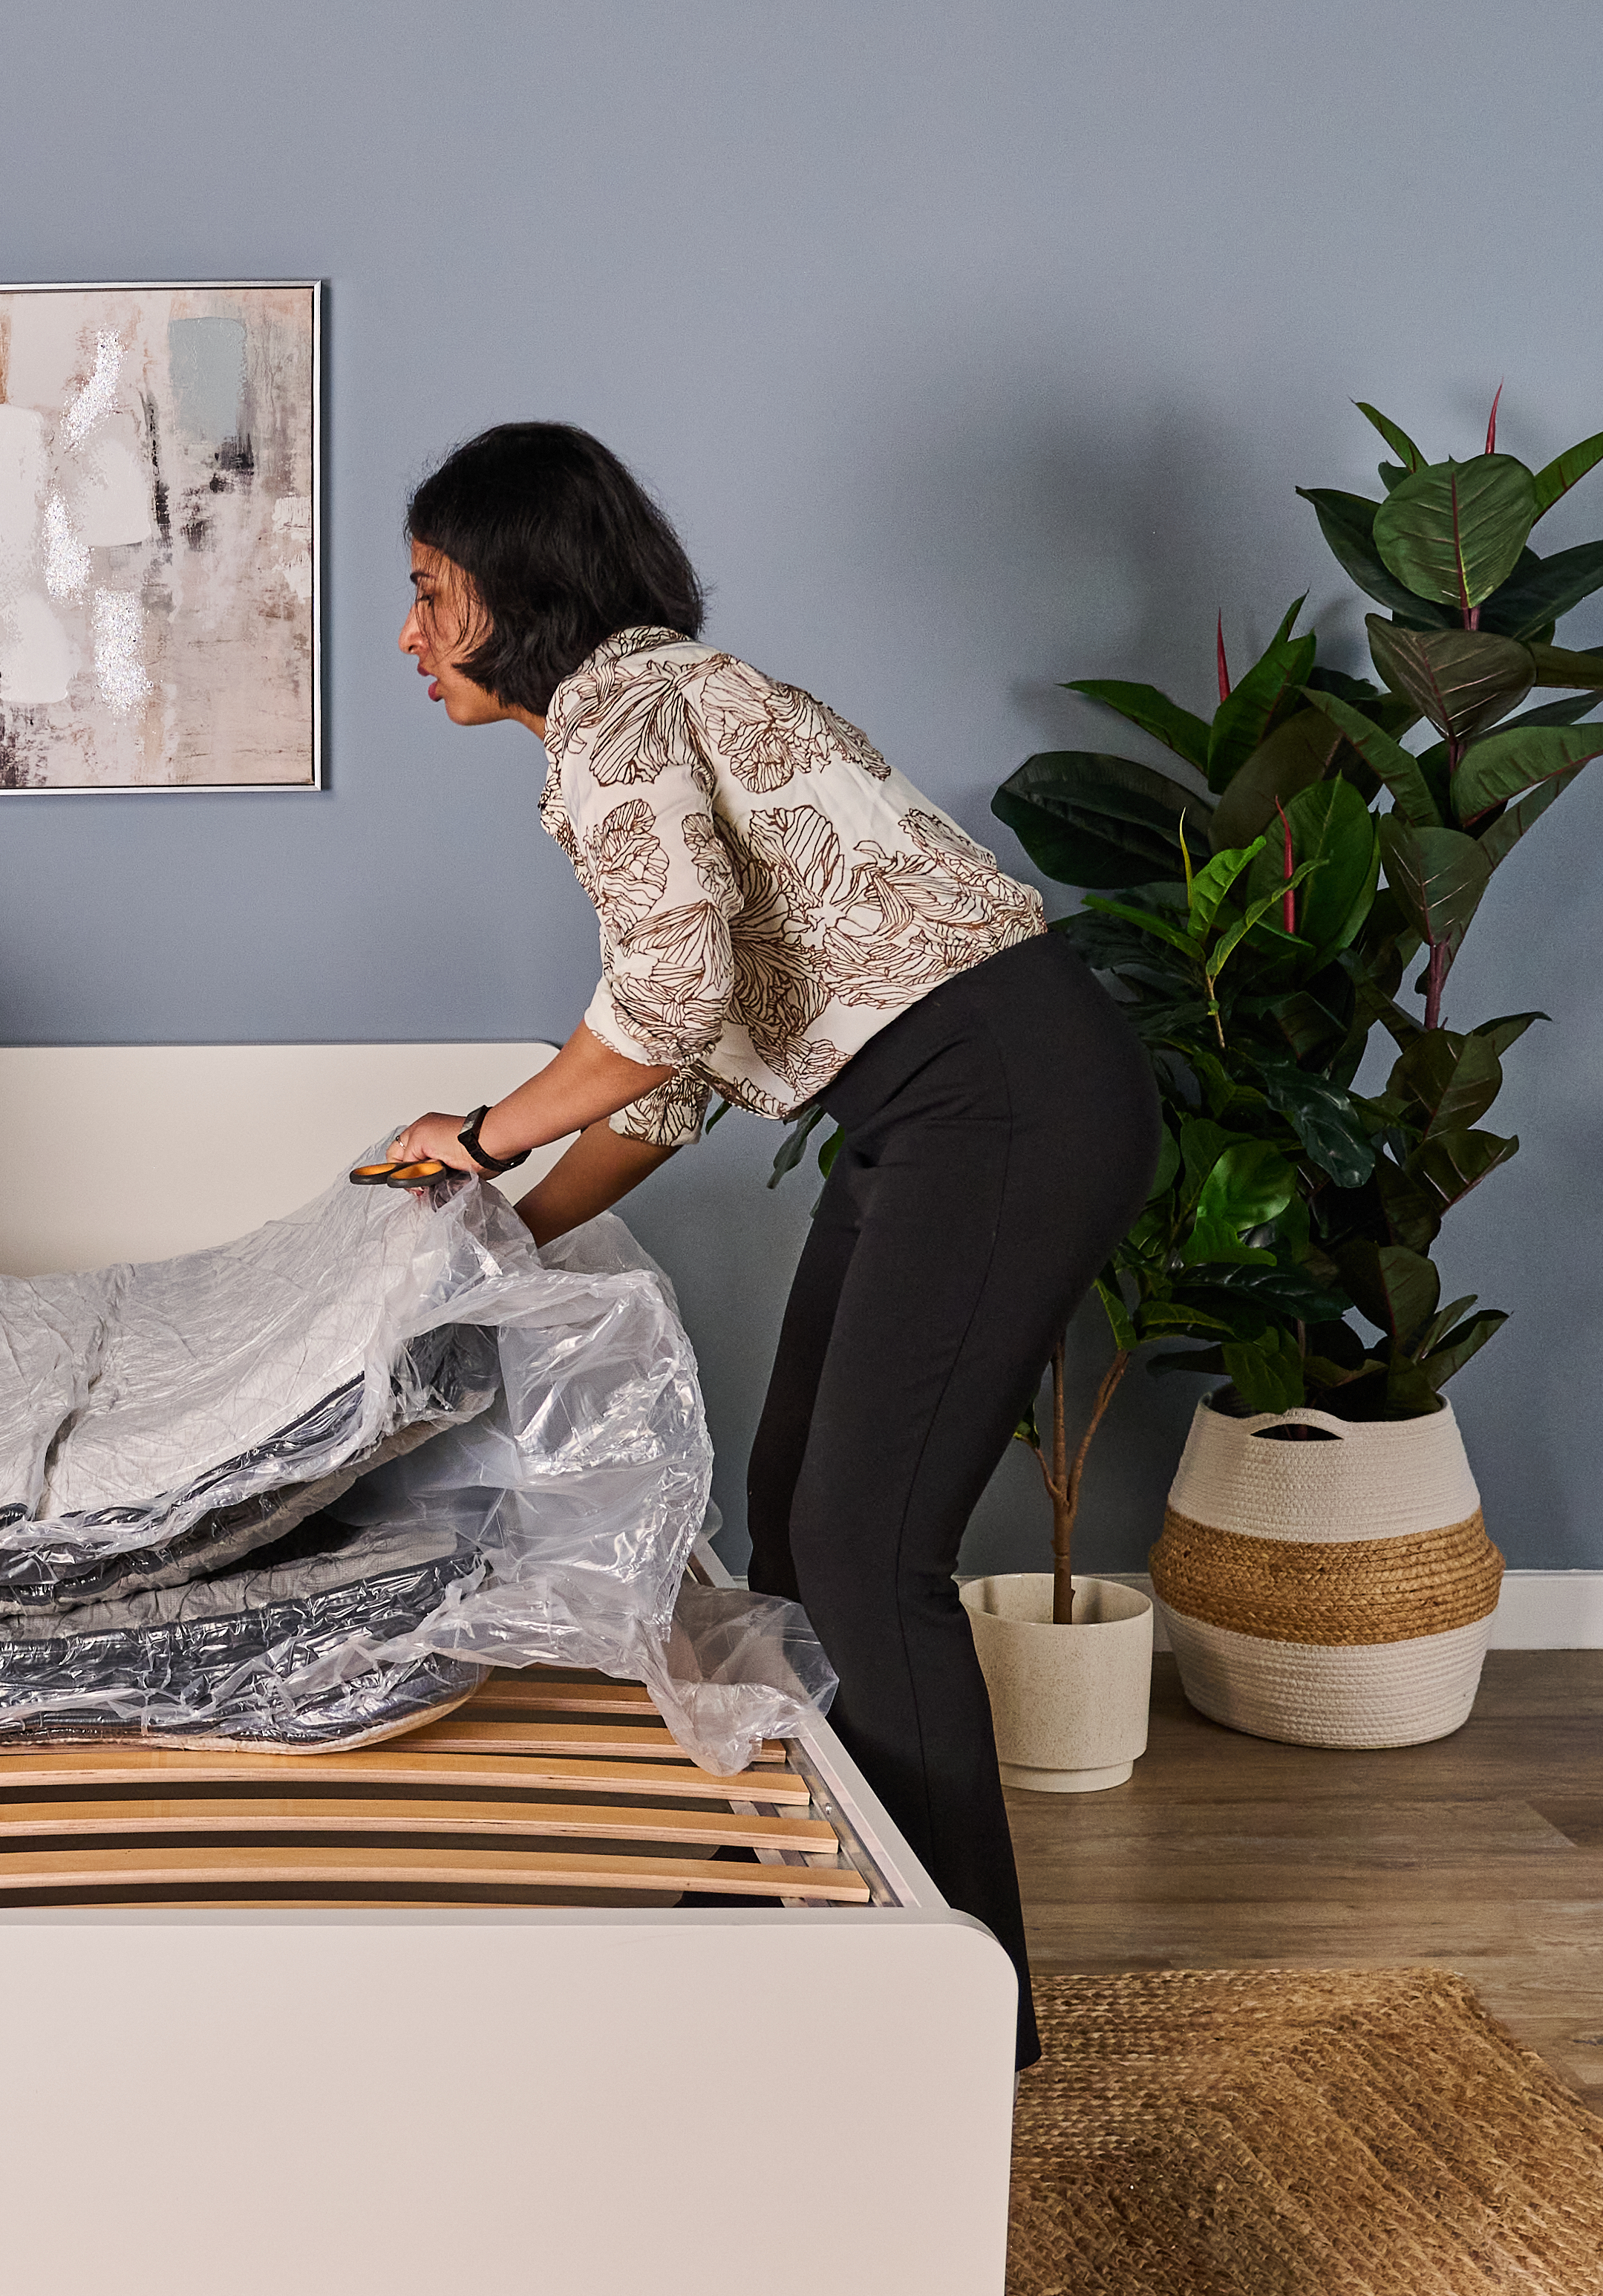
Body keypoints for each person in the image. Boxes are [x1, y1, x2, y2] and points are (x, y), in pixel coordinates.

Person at [372, 423, 1157, 2064]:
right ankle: (797, 1917)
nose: (407, 634)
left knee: (870, 1556)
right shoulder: (651, 703)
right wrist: (496, 1224)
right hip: (946, 1109)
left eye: (428, 591)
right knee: (801, 1532)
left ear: (513, 592)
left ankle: (956, 2023)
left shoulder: (617, 719)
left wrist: (485, 1133)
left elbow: (660, 1009)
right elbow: (687, 1072)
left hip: (990, 1104)